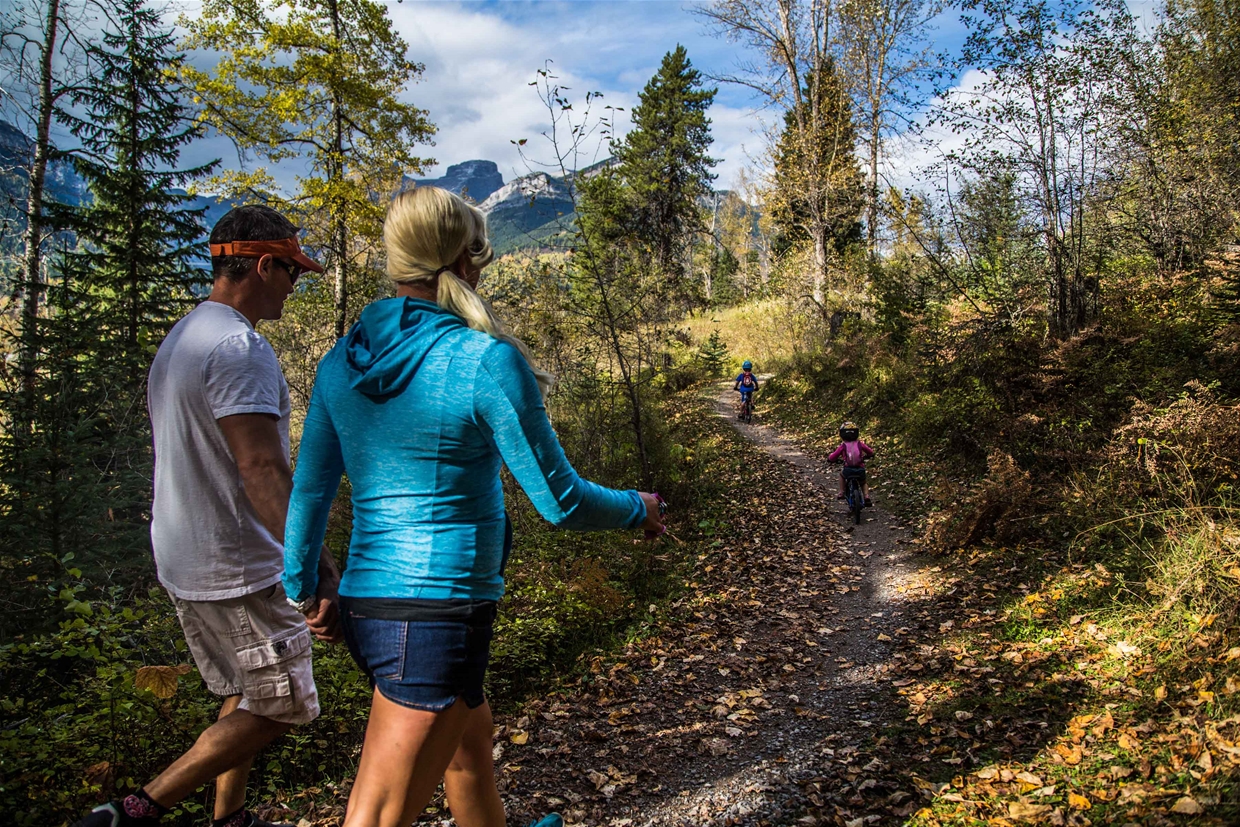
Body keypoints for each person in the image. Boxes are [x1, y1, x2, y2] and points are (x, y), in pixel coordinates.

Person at [281, 186, 666, 827]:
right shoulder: (483, 360)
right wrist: (638, 507)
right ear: (468, 261)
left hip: (368, 609)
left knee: (468, 750)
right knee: (376, 814)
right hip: (436, 615)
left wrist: (305, 586)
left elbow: (311, 491)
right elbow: (561, 502)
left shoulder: (338, 365)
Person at [74, 206, 343, 827]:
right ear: (262, 265)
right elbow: (262, 470)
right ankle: (134, 810)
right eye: (292, 271)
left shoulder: (184, 337)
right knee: (282, 705)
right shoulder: (237, 347)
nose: (293, 285)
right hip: (238, 562)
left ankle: (230, 819)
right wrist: (316, 568)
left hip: (184, 551)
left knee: (243, 692)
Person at [828, 421, 875, 506]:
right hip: (860, 468)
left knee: (842, 475)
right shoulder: (860, 444)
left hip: (848, 469)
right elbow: (870, 452)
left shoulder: (843, 445)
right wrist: (869, 455)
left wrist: (830, 459)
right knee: (863, 482)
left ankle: (842, 492)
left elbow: (833, 456)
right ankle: (866, 496)